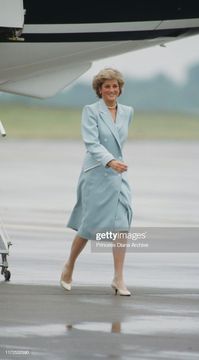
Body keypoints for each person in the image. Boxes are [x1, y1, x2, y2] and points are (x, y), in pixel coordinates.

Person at [60, 68, 134, 296]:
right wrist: (110, 161)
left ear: (120, 89)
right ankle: (69, 265)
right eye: (107, 86)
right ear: (99, 90)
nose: (111, 90)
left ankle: (118, 278)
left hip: (118, 175)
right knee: (89, 225)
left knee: (122, 225)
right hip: (96, 173)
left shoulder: (128, 111)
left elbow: (118, 142)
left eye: (115, 86)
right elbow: (91, 143)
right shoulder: (90, 111)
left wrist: (116, 163)